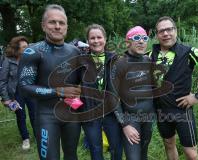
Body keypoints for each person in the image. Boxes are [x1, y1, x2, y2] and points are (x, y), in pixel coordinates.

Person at [151, 16, 198, 160]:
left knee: (191, 153)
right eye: (161, 31)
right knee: (168, 144)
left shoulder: (189, 52)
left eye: (169, 29)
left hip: (182, 110)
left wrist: (197, 96)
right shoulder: (150, 54)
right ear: (157, 35)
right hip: (161, 111)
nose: (166, 34)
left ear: (175, 31)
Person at [17, 4, 81, 160]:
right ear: (43, 26)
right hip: (46, 115)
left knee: (71, 156)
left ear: (66, 26)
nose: (57, 26)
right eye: (52, 22)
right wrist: (57, 92)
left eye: (62, 23)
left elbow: (83, 82)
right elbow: (24, 87)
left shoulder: (75, 52)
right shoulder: (33, 52)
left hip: (71, 115)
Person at [79, 24, 123, 160]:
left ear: (105, 39)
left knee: (116, 149)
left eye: (99, 37)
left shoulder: (116, 59)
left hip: (112, 113)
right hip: (90, 113)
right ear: (87, 41)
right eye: (92, 38)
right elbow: (71, 84)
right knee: (95, 150)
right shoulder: (81, 61)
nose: (96, 41)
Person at [112, 26, 154, 160]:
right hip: (131, 119)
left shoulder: (148, 61)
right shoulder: (120, 63)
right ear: (128, 42)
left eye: (144, 38)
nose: (141, 41)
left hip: (148, 118)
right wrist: (125, 125)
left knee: (144, 155)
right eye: (136, 38)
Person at [0, 36, 35, 150]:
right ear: (17, 49)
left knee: (34, 114)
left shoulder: (30, 58)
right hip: (16, 94)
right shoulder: (8, 60)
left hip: (30, 90)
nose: (27, 48)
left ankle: (38, 135)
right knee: (21, 116)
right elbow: (3, 81)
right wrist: (6, 98)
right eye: (24, 47)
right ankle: (25, 138)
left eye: (27, 46)